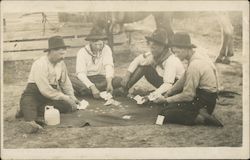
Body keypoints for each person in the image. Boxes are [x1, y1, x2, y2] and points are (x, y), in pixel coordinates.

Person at [153, 32, 223, 127]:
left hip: (204, 100)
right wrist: (169, 92)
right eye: (174, 52)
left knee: (164, 113)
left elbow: (188, 95)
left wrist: (166, 100)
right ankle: (201, 112)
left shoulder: (194, 65)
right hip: (207, 96)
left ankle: (201, 118)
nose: (176, 55)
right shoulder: (196, 55)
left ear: (186, 49)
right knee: (168, 105)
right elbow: (183, 78)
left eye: (178, 52)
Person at [18, 36, 80, 133]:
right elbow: (45, 90)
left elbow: (65, 83)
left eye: (64, 54)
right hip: (34, 94)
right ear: (51, 51)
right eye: (60, 54)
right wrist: (65, 97)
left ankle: (33, 109)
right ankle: (27, 112)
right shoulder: (39, 64)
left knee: (68, 107)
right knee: (30, 116)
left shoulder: (61, 64)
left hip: (50, 97)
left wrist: (72, 97)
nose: (63, 57)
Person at [121, 29, 185, 99]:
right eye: (151, 46)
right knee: (144, 67)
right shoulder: (154, 55)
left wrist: (151, 96)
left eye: (155, 46)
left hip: (176, 88)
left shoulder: (171, 60)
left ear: (163, 47)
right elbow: (137, 60)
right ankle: (124, 88)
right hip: (164, 83)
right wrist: (127, 75)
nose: (152, 49)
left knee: (155, 96)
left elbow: (168, 84)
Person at [70, 29, 122, 98]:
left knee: (119, 80)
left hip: (102, 79)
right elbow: (81, 73)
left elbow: (108, 66)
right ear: (90, 42)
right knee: (70, 79)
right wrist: (92, 87)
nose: (98, 47)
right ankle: (96, 91)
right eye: (95, 44)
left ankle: (87, 92)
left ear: (103, 41)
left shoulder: (106, 49)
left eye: (100, 44)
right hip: (87, 79)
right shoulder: (82, 52)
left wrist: (109, 83)